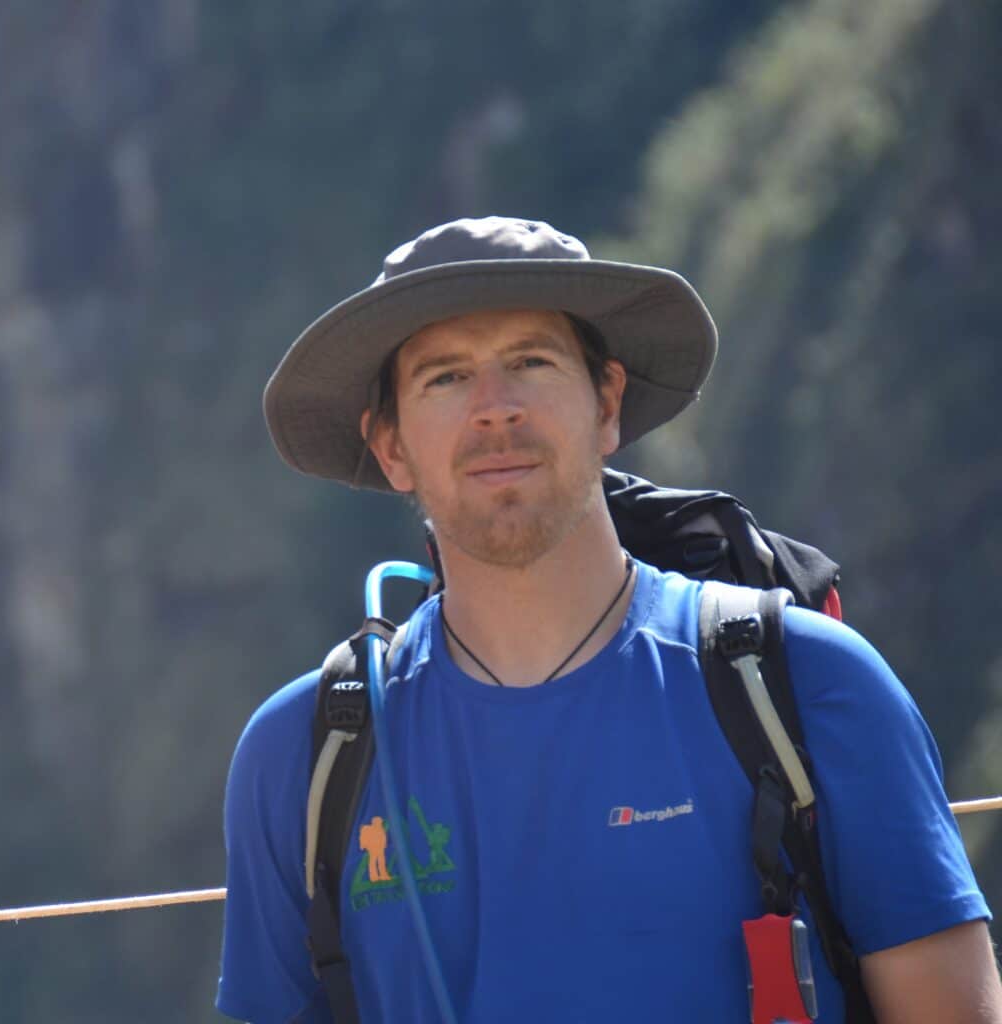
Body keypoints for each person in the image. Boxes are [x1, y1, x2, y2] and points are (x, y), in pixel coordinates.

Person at [217, 216, 1001, 1023]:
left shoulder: (810, 685)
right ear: (390, 446)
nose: (495, 409)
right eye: (445, 378)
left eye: (531, 361)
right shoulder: (307, 754)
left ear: (607, 404)